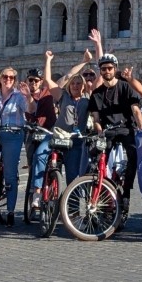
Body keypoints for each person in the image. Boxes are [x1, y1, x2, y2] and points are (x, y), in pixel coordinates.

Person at [0, 63, 34, 226]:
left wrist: (29, 96)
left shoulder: (19, 96)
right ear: (0, 79)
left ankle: (10, 211)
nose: (8, 79)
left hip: (14, 134)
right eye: (5, 77)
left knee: (9, 174)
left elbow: (30, 109)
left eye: (11, 77)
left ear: (15, 80)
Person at [87, 52, 142, 211]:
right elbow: (96, 120)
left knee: (134, 155)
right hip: (108, 131)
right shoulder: (96, 94)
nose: (107, 71)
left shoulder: (126, 87)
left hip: (126, 128)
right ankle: (101, 186)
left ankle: (126, 190)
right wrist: (99, 132)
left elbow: (136, 110)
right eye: (103, 69)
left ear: (115, 69)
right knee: (98, 158)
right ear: (100, 71)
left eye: (110, 68)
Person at [46, 50, 94, 184]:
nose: (75, 85)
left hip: (77, 140)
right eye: (73, 83)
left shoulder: (87, 98)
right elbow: (48, 80)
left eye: (79, 83)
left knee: (73, 175)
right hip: (60, 136)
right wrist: (48, 61)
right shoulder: (63, 96)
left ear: (83, 86)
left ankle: (71, 202)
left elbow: (100, 80)